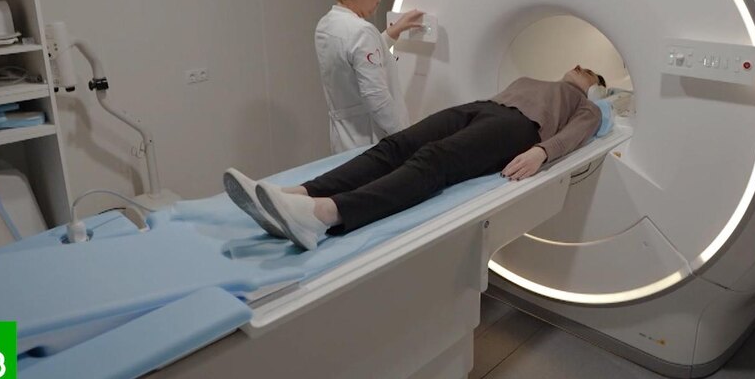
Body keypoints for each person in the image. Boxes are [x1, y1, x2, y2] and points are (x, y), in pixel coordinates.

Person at [224, 65, 606, 251]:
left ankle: (324, 214)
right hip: (482, 107)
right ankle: (299, 194)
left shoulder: (587, 106)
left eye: (589, 71)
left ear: (595, 88)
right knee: (396, 144)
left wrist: (541, 151)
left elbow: (575, 135)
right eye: (578, 64)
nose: (579, 68)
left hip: (520, 127)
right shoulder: (531, 78)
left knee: (435, 159)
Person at [317, 0, 424, 153]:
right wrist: (407, 139)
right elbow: (377, 98)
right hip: (372, 143)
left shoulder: (326, 26)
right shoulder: (362, 31)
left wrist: (391, 33)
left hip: (344, 141)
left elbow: (353, 58)